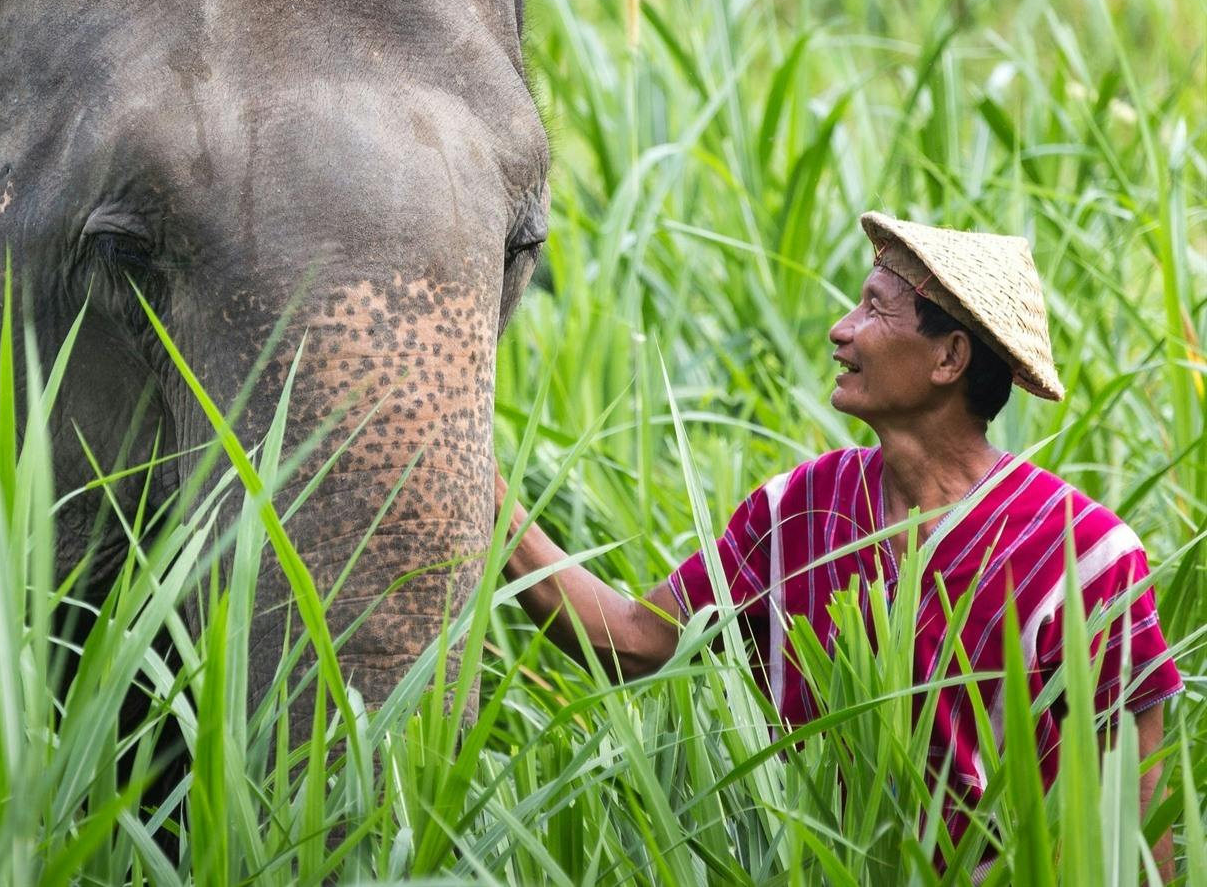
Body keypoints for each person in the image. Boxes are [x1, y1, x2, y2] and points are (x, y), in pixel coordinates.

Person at [496, 212, 1182, 861]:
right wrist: (486, 488)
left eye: (875, 309)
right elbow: (634, 642)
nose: (840, 329)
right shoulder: (799, 509)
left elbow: (1136, 810)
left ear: (949, 357)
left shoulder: (1081, 555)